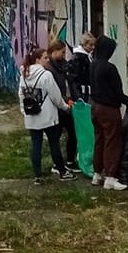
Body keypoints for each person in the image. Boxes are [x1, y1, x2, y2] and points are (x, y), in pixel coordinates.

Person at [89, 34, 128, 190]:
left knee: (100, 139)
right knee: (112, 141)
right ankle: (110, 177)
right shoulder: (109, 68)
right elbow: (117, 93)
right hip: (109, 109)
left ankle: (97, 174)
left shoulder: (93, 65)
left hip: (95, 106)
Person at [21, 47, 74, 184]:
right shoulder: (46, 75)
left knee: (36, 145)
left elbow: (21, 94)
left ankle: (37, 175)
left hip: (31, 115)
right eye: (45, 57)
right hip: (47, 116)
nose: (47, 60)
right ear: (37, 60)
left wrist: (24, 110)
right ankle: (62, 171)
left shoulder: (24, 75)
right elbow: (55, 96)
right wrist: (65, 107)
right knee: (54, 143)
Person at [48, 39, 79, 167]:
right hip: (57, 107)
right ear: (54, 51)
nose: (63, 55)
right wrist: (65, 100)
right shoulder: (50, 69)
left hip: (69, 106)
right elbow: (54, 90)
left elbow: (70, 84)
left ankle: (70, 160)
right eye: (62, 52)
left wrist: (76, 98)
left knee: (73, 133)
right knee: (56, 136)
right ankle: (57, 163)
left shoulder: (64, 66)